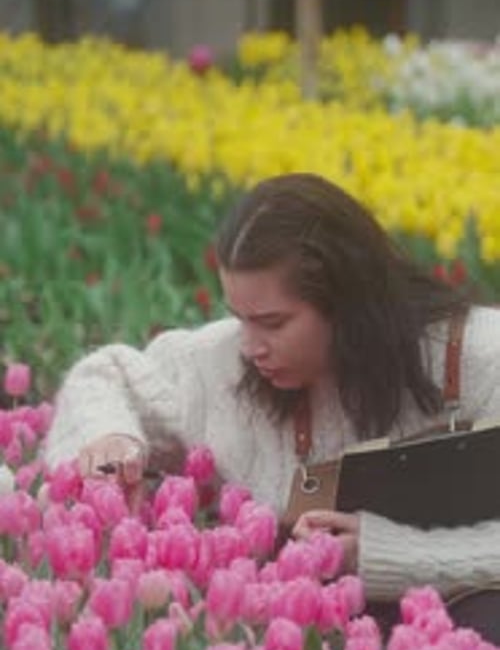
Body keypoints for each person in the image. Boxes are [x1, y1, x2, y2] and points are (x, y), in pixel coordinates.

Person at [44, 172, 500, 607]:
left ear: (349, 303)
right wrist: (112, 439)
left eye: (272, 323)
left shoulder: (479, 358)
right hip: (302, 645)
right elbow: (107, 376)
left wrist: (383, 554)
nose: (250, 345)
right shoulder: (225, 364)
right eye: (240, 317)